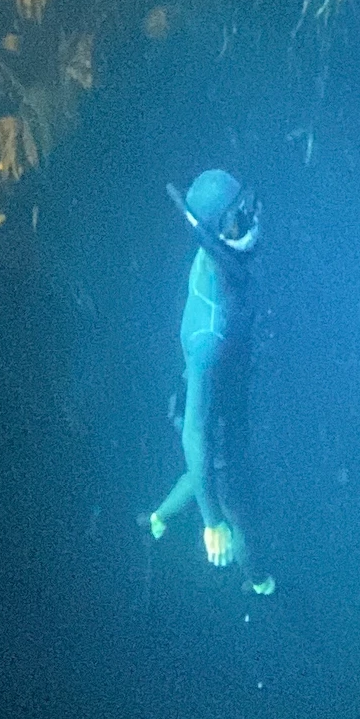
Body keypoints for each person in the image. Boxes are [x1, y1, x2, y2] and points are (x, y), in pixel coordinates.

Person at [145, 168, 275, 592]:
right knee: (241, 513)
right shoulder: (208, 330)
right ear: (214, 235)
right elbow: (195, 433)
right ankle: (260, 583)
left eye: (249, 207)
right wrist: (211, 523)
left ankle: (159, 517)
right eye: (236, 222)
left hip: (228, 387)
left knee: (205, 474)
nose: (251, 223)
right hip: (211, 415)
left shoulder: (222, 257)